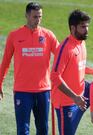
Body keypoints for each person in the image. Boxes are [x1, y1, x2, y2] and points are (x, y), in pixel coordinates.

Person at [50, 9, 93, 135]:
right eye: (83, 27)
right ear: (73, 28)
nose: (87, 30)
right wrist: (74, 97)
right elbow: (54, 76)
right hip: (67, 102)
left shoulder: (81, 43)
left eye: (87, 26)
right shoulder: (65, 49)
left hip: (84, 90)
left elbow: (76, 67)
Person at [0, 2, 59, 135]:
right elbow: (5, 62)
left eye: (40, 17)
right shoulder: (14, 36)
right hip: (22, 91)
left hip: (43, 90)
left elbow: (62, 56)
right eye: (35, 17)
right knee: (22, 130)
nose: (38, 20)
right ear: (26, 16)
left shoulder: (48, 35)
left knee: (43, 129)